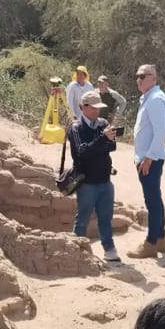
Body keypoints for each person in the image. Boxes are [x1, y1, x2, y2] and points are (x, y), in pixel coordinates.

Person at [68, 90, 120, 263]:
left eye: (98, 107)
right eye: (93, 108)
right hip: (87, 183)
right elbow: (82, 152)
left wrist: (99, 144)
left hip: (105, 180)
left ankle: (109, 249)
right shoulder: (76, 128)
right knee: (82, 219)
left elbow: (112, 146)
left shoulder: (103, 123)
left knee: (106, 218)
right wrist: (102, 140)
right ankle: (78, 251)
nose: (97, 111)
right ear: (82, 107)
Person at [127, 65, 165, 259]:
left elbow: (161, 132)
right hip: (147, 157)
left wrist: (149, 157)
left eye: (143, 76)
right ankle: (160, 239)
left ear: (154, 78)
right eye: (137, 76)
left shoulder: (155, 99)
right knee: (155, 199)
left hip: (150, 159)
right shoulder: (149, 97)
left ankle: (151, 243)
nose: (139, 79)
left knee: (152, 201)